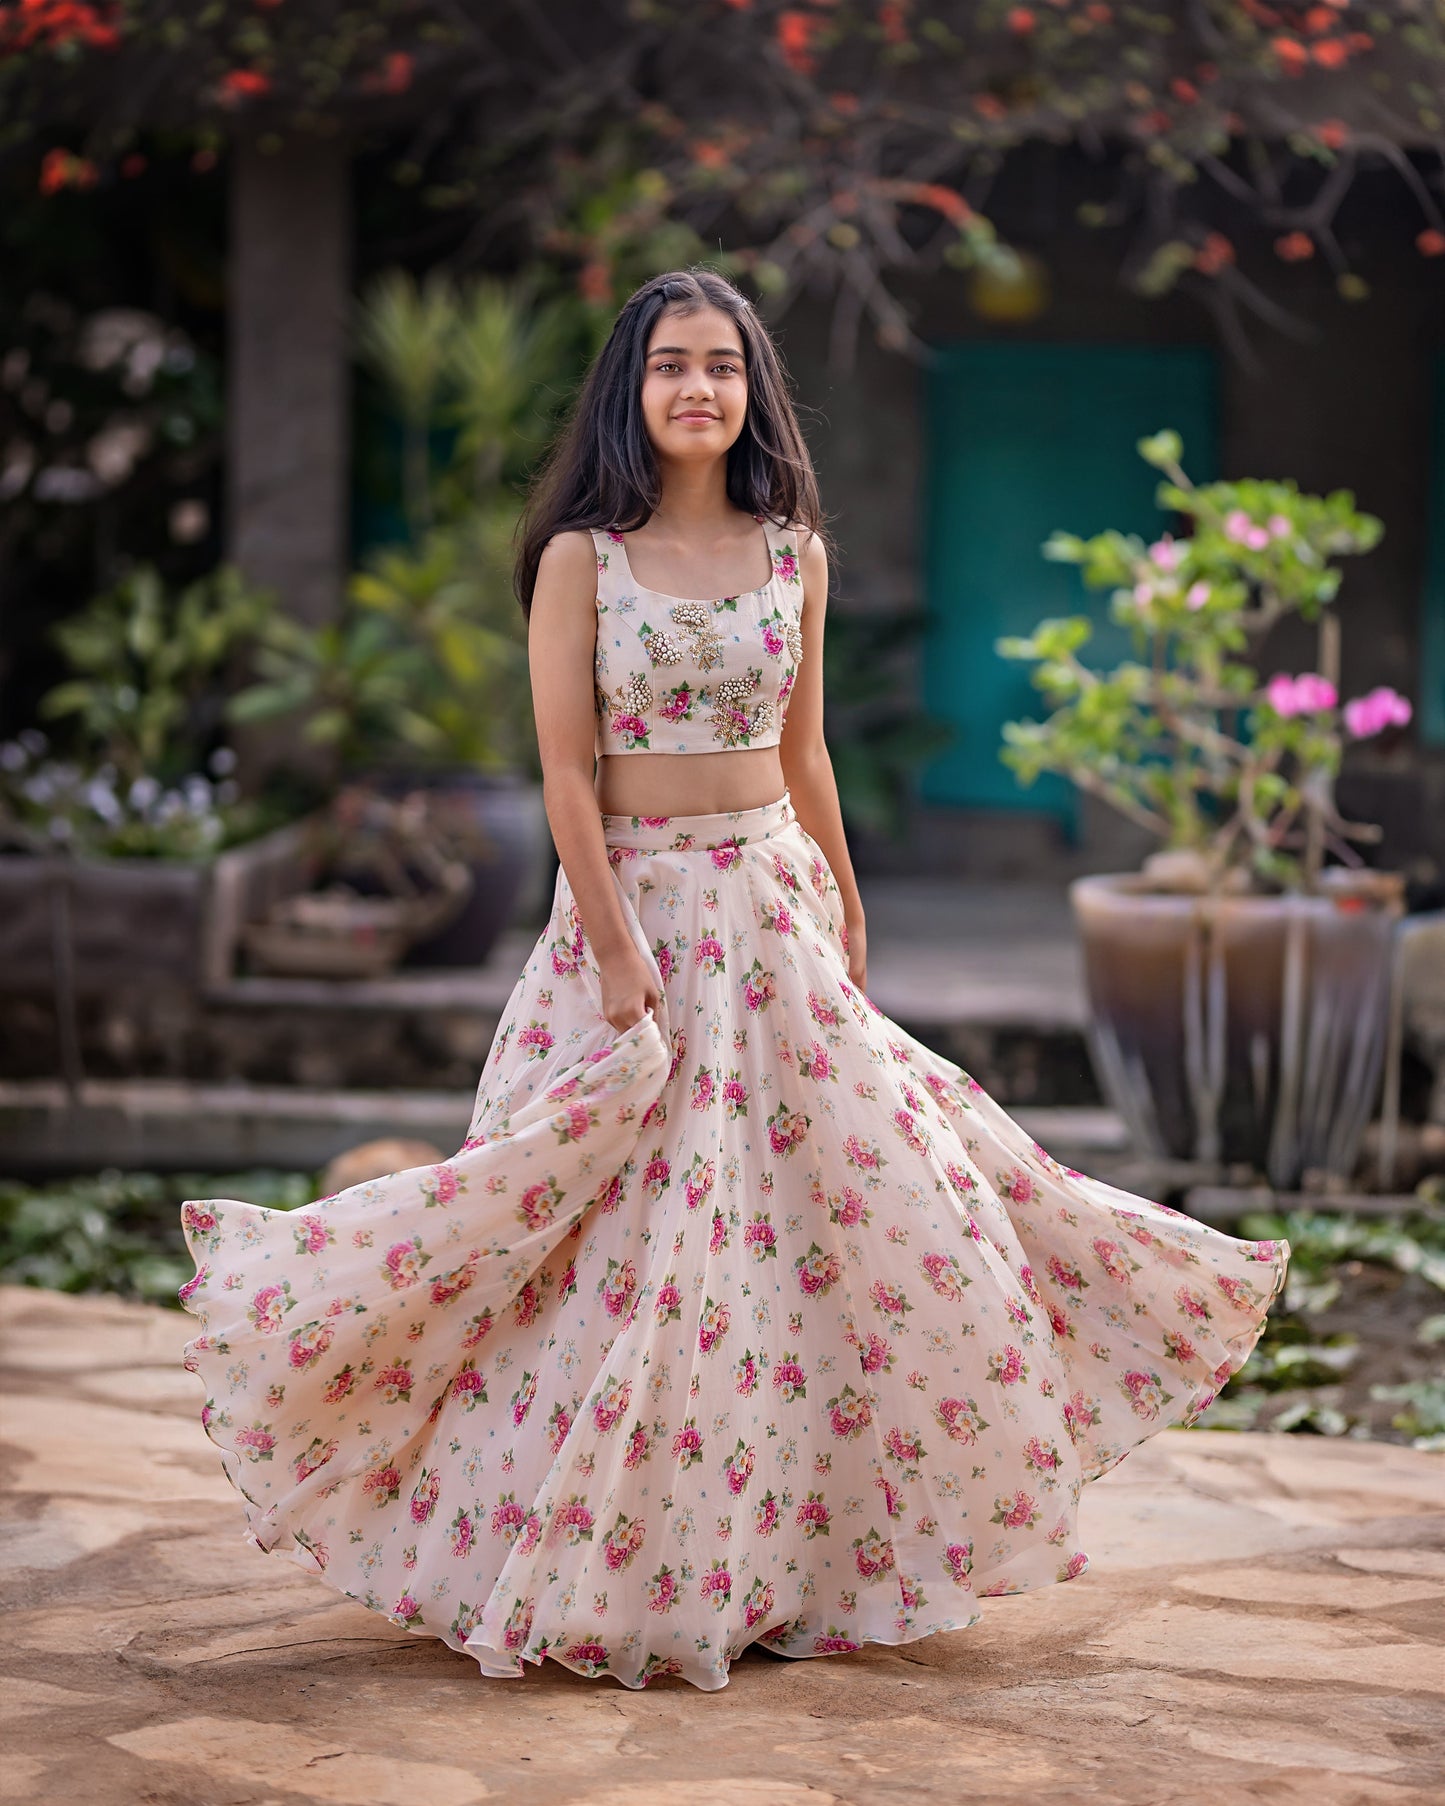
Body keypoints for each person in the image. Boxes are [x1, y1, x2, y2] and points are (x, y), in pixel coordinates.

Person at [178, 267, 1290, 1693]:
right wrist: (612, 940)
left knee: (823, 1227)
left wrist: (842, 893)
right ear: (629, 394)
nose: (696, 388)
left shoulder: (793, 553)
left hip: (770, 910)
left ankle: (773, 1559)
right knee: (612, 1244)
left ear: (752, 388)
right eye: (668, 368)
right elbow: (566, 771)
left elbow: (807, 747)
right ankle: (587, 1558)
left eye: (720, 365)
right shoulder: (584, 557)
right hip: (631, 914)